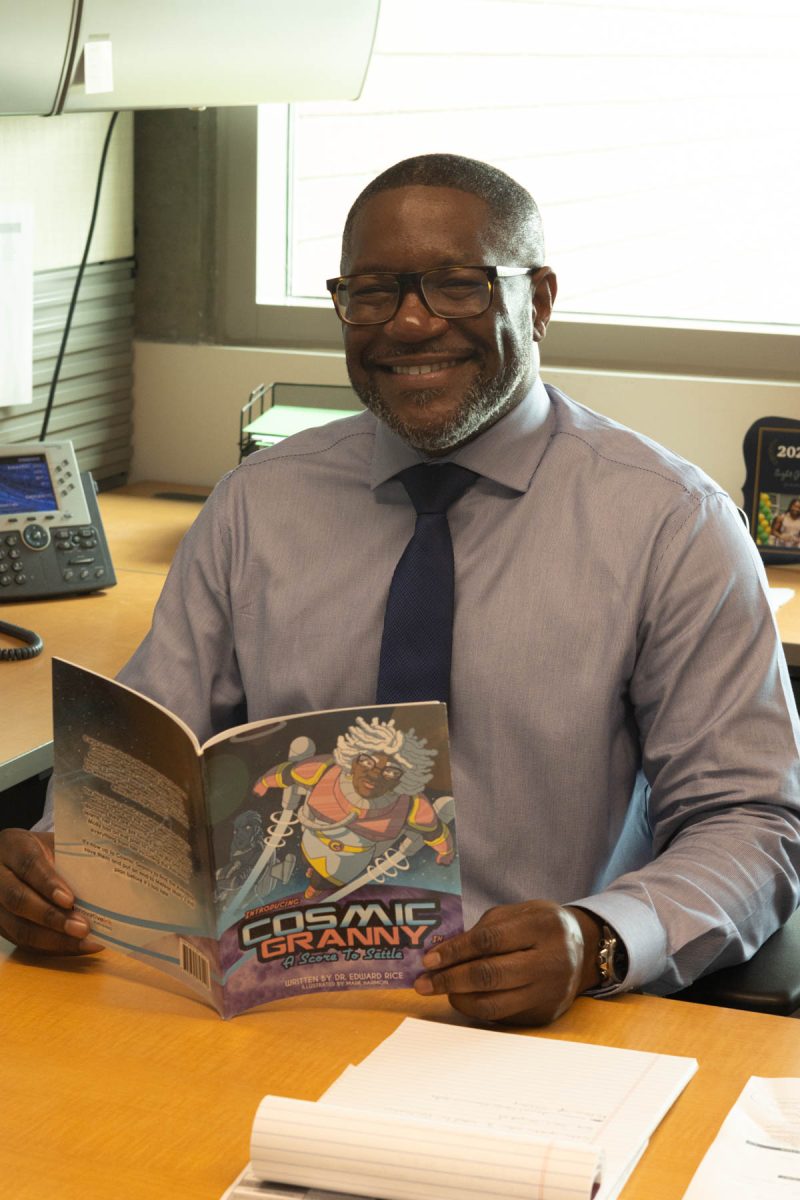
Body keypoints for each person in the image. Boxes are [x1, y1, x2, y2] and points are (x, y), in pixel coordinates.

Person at [2, 153, 799, 1027]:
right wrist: (51, 862)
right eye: (373, 292)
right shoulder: (255, 506)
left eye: (457, 287)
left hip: (544, 1019)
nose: (410, 323)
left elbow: (750, 821)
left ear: (537, 301)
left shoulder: (672, 524)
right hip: (263, 1006)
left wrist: (597, 938)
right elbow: (140, 761)